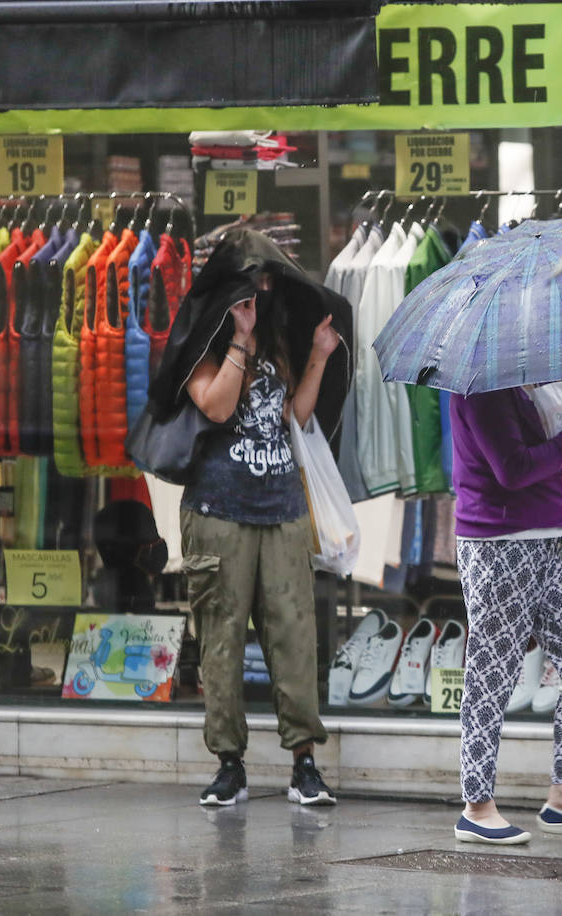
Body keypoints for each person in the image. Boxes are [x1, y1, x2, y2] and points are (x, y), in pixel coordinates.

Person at [145, 228, 352, 808]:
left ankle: (304, 762)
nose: (256, 300)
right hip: (218, 511)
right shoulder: (201, 341)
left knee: (294, 636)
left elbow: (295, 415)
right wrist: (237, 339)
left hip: (282, 509)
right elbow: (215, 404)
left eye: (264, 289)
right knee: (222, 640)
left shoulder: (279, 342)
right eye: (247, 290)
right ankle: (229, 764)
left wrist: (315, 357)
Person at [448, 382, 562, 844]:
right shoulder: (482, 388)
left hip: (554, 540)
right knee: (492, 676)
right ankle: (477, 805)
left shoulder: (539, 383)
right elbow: (511, 469)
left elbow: (549, 461)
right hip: (498, 547)